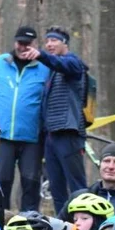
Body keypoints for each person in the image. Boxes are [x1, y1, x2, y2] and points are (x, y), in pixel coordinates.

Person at [19, 26, 87, 213]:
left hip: (68, 133)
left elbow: (62, 64)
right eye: (47, 41)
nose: (49, 44)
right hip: (50, 135)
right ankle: (63, 229)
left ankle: (87, 226)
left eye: (54, 40)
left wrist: (40, 55)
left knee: (77, 186)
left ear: (65, 43)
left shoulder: (73, 63)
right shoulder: (52, 71)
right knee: (56, 188)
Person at [0, 26, 49, 212]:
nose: (24, 48)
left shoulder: (44, 67)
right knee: (1, 181)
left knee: (31, 182)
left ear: (35, 45)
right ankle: (1, 222)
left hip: (32, 136)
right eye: (21, 43)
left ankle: (30, 222)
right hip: (3, 135)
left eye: (28, 44)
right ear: (15, 43)